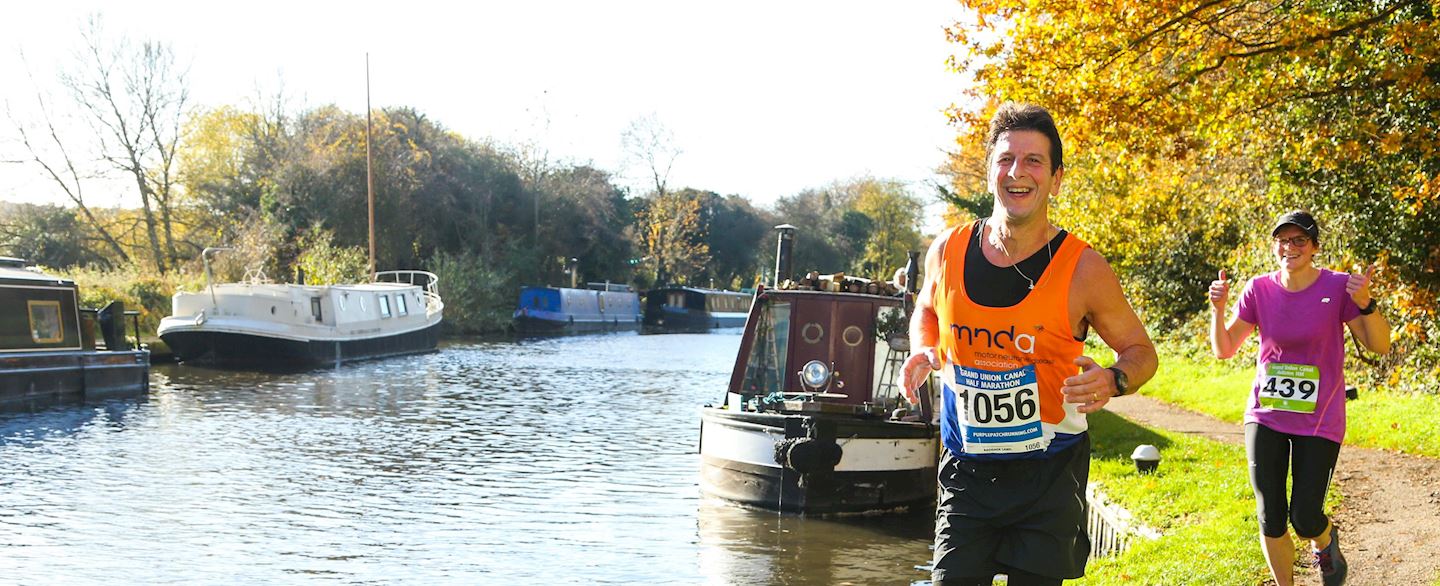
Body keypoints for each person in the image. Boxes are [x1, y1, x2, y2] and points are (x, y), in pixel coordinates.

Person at [899, 102, 1158, 586]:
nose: (1018, 172)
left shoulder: (1084, 268)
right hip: (967, 469)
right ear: (989, 172)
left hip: (1049, 473)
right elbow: (927, 309)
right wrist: (923, 347)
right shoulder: (947, 249)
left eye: (1034, 161)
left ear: (1055, 179)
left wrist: (1113, 379)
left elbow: (1142, 353)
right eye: (1006, 159)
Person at [1209, 210, 1391, 586]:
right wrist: (1218, 310)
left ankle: (1325, 542)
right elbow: (1224, 349)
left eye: (1299, 240)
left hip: (1319, 418)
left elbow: (1379, 345)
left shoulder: (1339, 287)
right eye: (1282, 240)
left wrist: (1366, 303)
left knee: (1305, 517)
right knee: (1270, 515)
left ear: (1314, 248)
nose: (1289, 247)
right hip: (1266, 413)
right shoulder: (1259, 289)